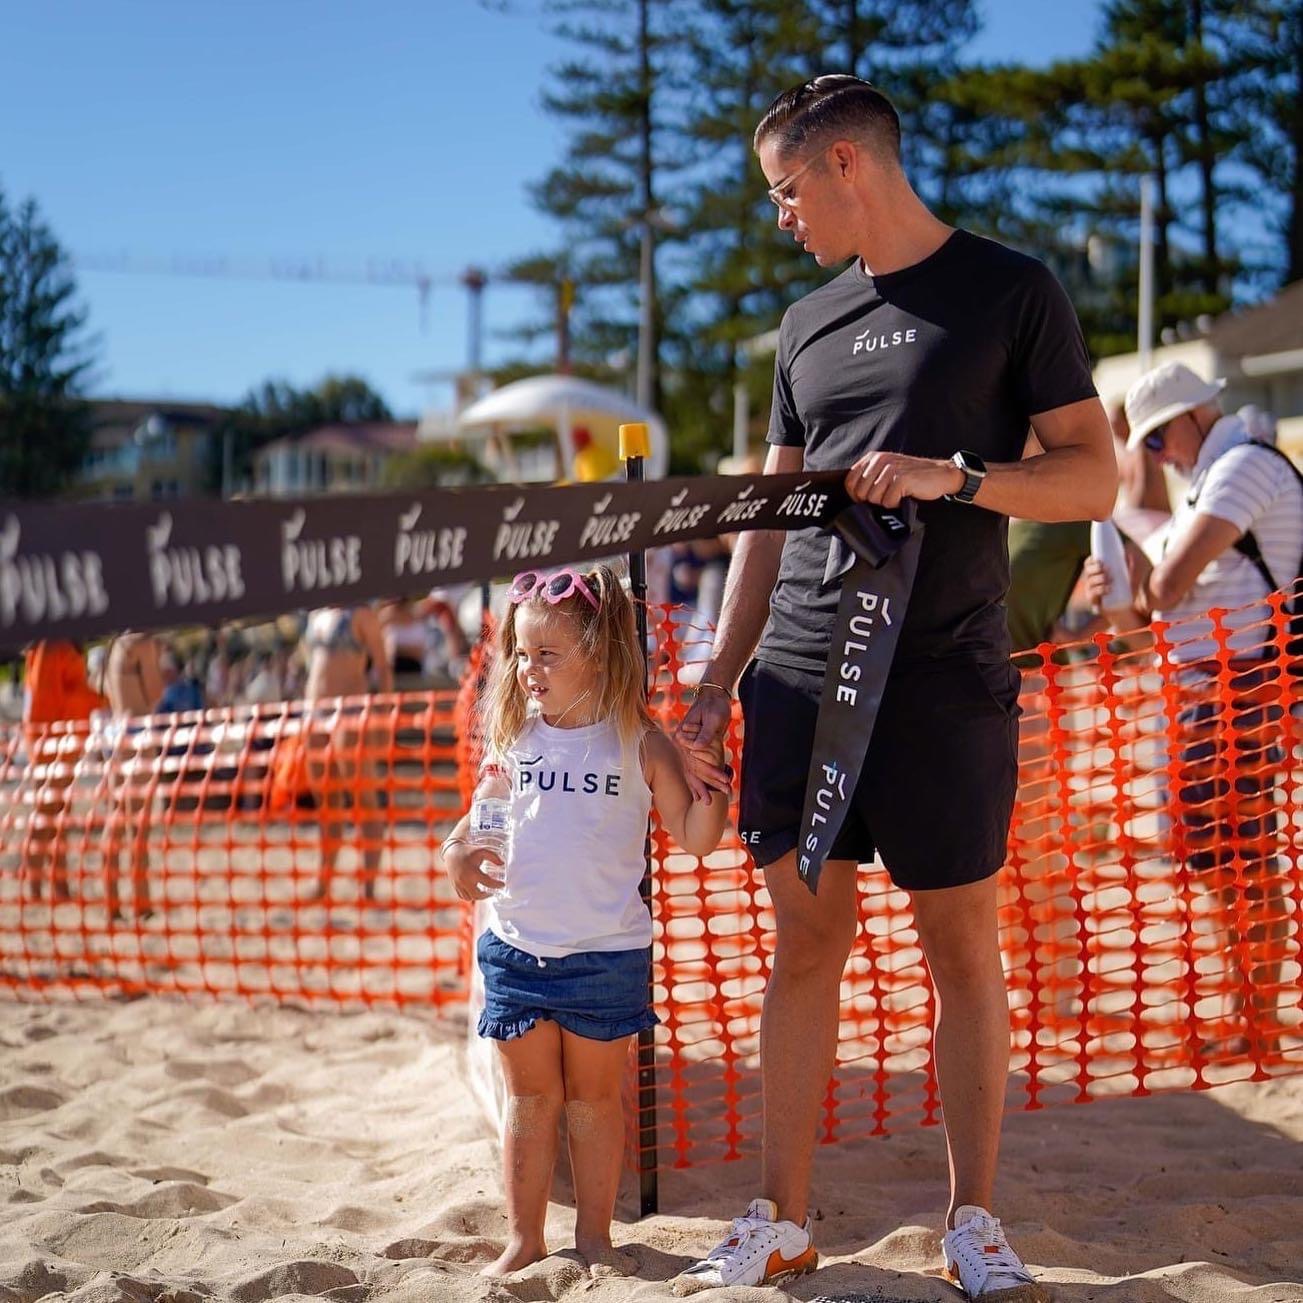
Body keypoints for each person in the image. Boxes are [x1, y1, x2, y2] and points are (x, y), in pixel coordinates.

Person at [673, 76, 1116, 1298]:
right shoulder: (802, 323)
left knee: (958, 947)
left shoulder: (1009, 289)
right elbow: (765, 520)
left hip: (940, 678)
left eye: (785, 190)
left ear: (848, 164)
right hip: (801, 676)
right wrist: (717, 676)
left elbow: (1092, 479)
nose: (781, 218)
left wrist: (954, 476)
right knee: (802, 943)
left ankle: (975, 1220)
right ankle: (782, 1217)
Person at [440, 564, 730, 1280]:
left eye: (545, 653)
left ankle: (595, 1237)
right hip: (514, 949)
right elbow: (475, 823)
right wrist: (455, 855)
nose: (525, 668)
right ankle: (524, 1236)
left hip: (605, 957)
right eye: (519, 651)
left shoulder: (639, 740)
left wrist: (715, 779)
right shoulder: (514, 736)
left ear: (598, 652)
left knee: (595, 1103)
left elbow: (695, 835)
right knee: (530, 1100)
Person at [1083, 361, 1303, 1052]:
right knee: (1217, 859)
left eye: (1154, 441)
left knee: (1244, 856)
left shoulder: (1241, 465)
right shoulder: (1212, 476)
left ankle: (1257, 1018)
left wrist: (1138, 586)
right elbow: (1150, 610)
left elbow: (1170, 584)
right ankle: (1249, 1013)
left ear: (1189, 419)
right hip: (1202, 692)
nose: (1158, 457)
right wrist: (1121, 594)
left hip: (1234, 690)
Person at [300, 605, 393, 902]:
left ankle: (367, 887)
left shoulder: (362, 614)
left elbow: (382, 667)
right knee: (326, 802)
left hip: (351, 713)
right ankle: (323, 882)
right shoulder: (317, 615)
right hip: (315, 714)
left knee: (364, 799)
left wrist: (384, 718)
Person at [20, 641, 107, 904]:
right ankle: (35, 888)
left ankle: (59, 886)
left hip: (62, 740)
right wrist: (96, 698)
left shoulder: (58, 646)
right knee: (46, 816)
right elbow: (44, 701)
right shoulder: (49, 648)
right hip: (50, 741)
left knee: (60, 817)